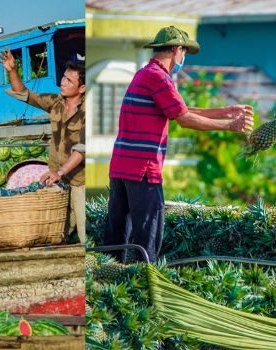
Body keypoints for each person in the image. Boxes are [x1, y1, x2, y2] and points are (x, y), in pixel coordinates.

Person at [102, 26, 254, 262]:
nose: (183, 58)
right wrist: (229, 125)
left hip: (122, 166)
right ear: (176, 50)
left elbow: (178, 109)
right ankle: (146, 282)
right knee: (148, 236)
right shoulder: (159, 77)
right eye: (184, 51)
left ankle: (107, 277)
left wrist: (227, 111)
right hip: (143, 168)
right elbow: (183, 119)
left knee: (117, 234)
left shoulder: (146, 73)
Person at [0, 50, 86, 244]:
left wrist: (61, 172)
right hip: (59, 181)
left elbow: (82, 149)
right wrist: (12, 71)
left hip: (80, 181)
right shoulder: (56, 103)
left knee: (83, 232)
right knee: (58, 233)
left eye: (69, 81)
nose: (63, 83)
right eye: (63, 78)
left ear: (81, 88)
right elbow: (25, 94)